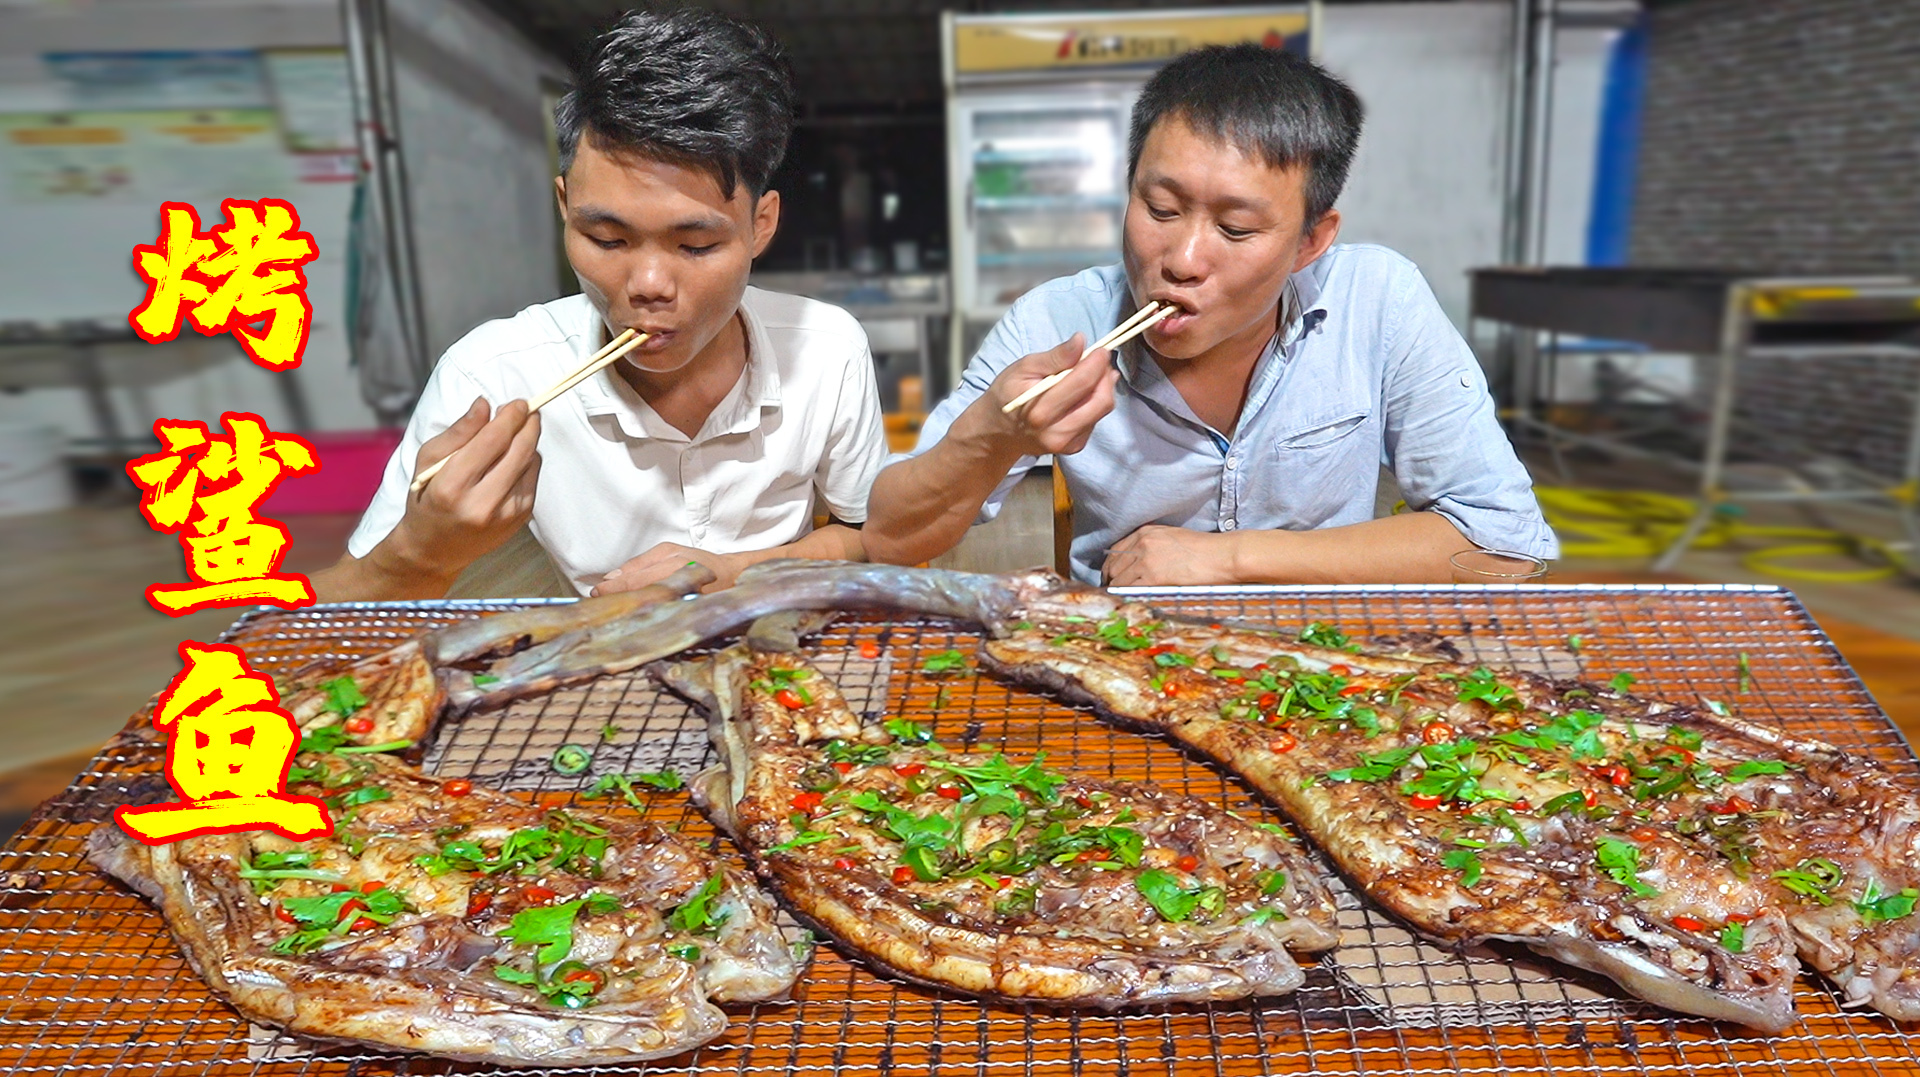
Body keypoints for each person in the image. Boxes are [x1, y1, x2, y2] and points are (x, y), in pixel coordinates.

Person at [864, 45, 1556, 585]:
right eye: (1160, 209)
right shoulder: (1059, 319)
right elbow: (891, 538)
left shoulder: (1379, 300)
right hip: (1121, 660)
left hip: (1323, 666)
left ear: (1309, 242)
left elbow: (1504, 544)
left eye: (1235, 228)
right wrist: (992, 434)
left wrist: (1231, 560)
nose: (1183, 257)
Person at [314, 10, 884, 602]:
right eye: (608, 240)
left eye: (697, 245)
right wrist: (420, 553)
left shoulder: (826, 347)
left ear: (761, 224)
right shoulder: (493, 372)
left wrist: (738, 570)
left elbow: (868, 533)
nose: (650, 283)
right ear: (565, 205)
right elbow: (335, 614)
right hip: (597, 665)